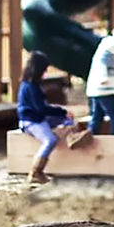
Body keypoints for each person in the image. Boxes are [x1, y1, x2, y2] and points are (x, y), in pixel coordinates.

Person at [17, 51, 79, 184]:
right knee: (50, 140)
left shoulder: (32, 85)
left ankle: (72, 138)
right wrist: (61, 111)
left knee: (68, 121)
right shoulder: (30, 87)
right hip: (31, 121)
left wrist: (62, 114)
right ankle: (35, 172)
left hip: (38, 118)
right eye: (43, 71)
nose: (44, 74)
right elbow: (41, 109)